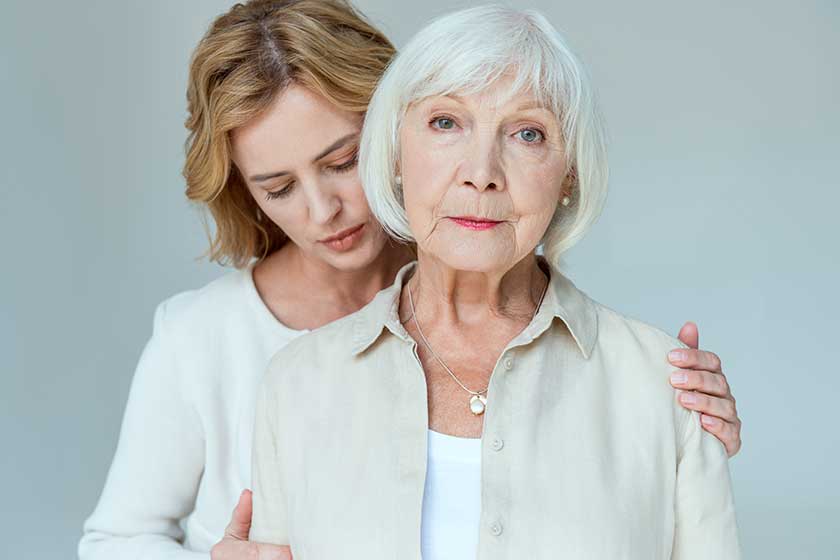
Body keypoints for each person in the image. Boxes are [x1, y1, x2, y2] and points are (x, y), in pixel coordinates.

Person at [79, 2, 741, 559]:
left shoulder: (502, 259)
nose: (321, 211)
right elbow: (117, 537)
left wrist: (677, 427)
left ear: (385, 135)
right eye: (278, 187)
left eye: (339, 163)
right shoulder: (232, 351)